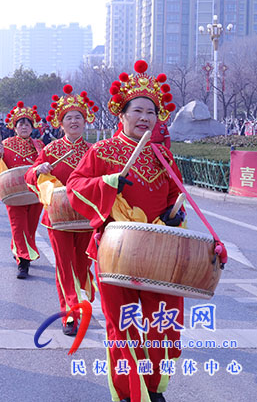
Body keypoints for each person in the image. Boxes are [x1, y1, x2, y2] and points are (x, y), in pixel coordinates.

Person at [66, 60, 186, 402]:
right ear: (123, 114)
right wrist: (107, 184)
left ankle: (152, 385)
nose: (146, 117)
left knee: (164, 322)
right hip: (115, 250)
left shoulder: (163, 156)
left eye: (152, 112)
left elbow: (175, 198)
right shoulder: (101, 151)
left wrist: (175, 217)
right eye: (138, 111)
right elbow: (75, 188)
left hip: (159, 251)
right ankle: (133, 394)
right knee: (124, 326)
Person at [25, 85, 98, 329]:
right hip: (58, 218)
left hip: (87, 219)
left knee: (82, 265)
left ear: (85, 121)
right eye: (69, 117)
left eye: (78, 117)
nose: (74, 121)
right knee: (65, 267)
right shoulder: (50, 150)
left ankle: (80, 295)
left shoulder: (94, 151)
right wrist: (38, 169)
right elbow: (29, 176)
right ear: (61, 123)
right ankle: (70, 313)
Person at [0, 102, 44, 279]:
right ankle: (23, 262)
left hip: (35, 193)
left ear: (32, 127)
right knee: (18, 226)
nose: (25, 126)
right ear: (15, 127)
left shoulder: (39, 145)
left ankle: (20, 250)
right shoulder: (5, 144)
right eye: (21, 123)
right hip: (14, 193)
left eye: (28, 123)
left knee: (31, 228)